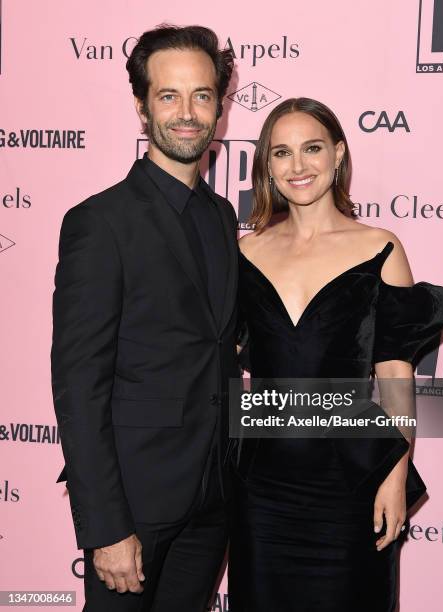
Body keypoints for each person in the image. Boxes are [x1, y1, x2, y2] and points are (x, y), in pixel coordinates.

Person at [228, 98, 443, 611]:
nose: (298, 166)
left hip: (351, 484)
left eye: (312, 149)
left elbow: (396, 373)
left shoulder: (379, 247)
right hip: (261, 492)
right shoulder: (244, 253)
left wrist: (396, 475)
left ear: (338, 154)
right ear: (267, 166)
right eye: (281, 153)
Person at [51, 25, 238, 611]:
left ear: (219, 107)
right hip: (134, 503)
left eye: (202, 95)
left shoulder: (223, 217)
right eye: (168, 96)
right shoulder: (100, 223)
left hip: (213, 495)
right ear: (141, 105)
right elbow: (79, 386)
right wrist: (104, 526)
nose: (187, 113)